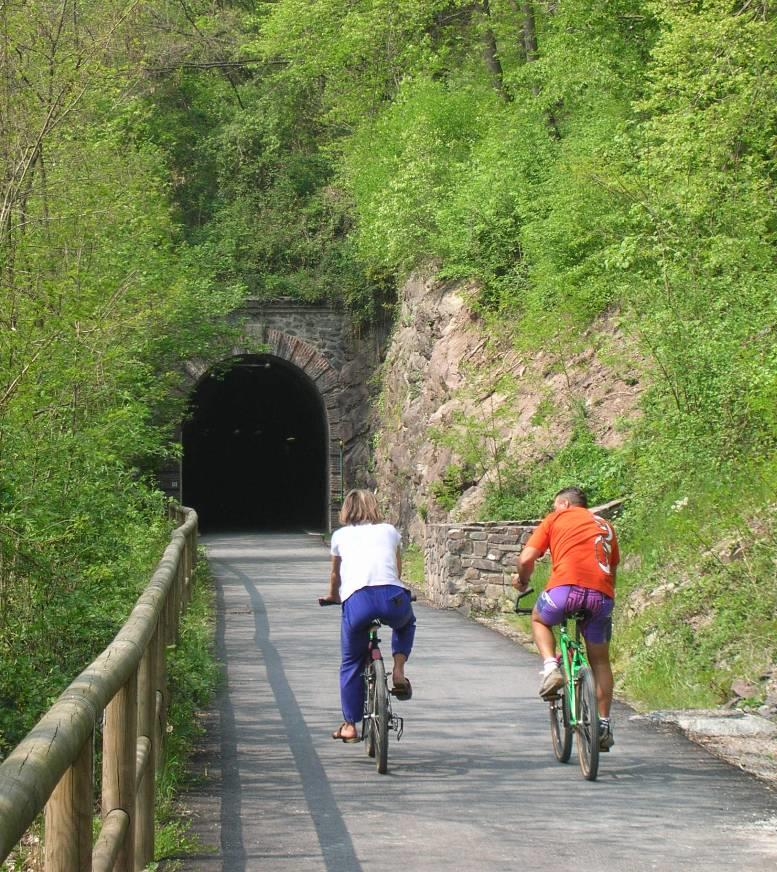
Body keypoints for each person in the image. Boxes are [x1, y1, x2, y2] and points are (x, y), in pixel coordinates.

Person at [512, 486, 619, 751]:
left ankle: (550, 668)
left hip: (564, 591)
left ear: (563, 504)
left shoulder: (556, 518)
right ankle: (603, 724)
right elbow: (612, 568)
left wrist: (523, 582)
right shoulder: (606, 525)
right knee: (600, 661)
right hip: (601, 596)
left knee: (539, 618)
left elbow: (526, 558)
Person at [322, 488, 416, 743]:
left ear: (346, 510)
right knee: (406, 624)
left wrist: (333, 596)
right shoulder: (389, 531)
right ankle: (398, 671)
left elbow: (335, 576)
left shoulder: (340, 536)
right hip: (392, 597)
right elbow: (397, 569)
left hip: (357, 601)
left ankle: (350, 725)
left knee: (351, 662)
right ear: (374, 507)